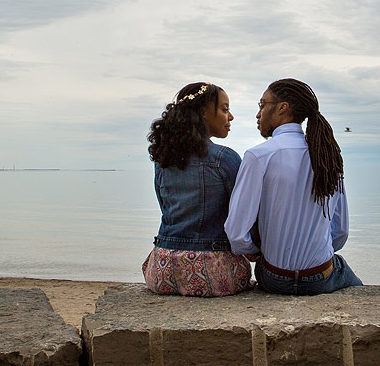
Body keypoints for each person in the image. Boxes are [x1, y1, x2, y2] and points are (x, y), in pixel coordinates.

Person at [224, 78, 362, 295]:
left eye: (262, 105)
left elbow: (236, 234)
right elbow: (340, 232)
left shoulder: (258, 156)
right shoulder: (327, 156)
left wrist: (257, 251)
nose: (258, 114)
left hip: (274, 278)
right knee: (355, 287)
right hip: (320, 278)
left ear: (282, 108)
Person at [143, 81, 253, 296]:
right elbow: (243, 216)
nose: (230, 117)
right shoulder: (224, 158)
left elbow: (164, 207)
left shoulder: (163, 159)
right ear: (203, 112)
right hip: (211, 272)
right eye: (224, 109)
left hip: (162, 270)